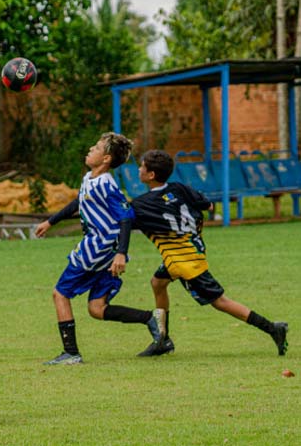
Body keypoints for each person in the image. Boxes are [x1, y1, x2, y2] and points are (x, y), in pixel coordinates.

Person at [130, 149, 288, 357]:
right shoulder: (178, 188)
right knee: (158, 283)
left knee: (220, 302)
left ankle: (272, 328)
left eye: (142, 166)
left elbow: (129, 220)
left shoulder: (143, 203)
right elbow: (208, 205)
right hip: (187, 251)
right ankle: (163, 338)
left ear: (150, 175)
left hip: (186, 263)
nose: (139, 169)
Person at [35, 132, 163, 365]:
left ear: (105, 159)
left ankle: (71, 353)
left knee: (60, 294)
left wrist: (121, 253)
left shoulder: (106, 183)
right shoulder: (90, 179)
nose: (90, 150)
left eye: (96, 148)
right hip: (105, 251)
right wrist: (50, 221)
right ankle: (150, 319)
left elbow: (125, 217)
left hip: (97, 249)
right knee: (97, 308)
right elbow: (79, 202)